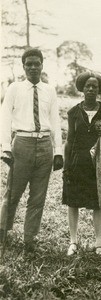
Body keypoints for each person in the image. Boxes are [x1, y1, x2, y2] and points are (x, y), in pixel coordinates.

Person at [0, 48, 63, 253]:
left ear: (42, 65)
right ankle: (2, 231)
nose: (33, 67)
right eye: (29, 64)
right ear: (24, 66)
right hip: (22, 144)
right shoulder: (14, 89)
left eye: (37, 63)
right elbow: (5, 118)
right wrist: (6, 148)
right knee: (13, 193)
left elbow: (55, 120)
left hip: (44, 145)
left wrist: (58, 151)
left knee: (38, 197)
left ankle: (29, 239)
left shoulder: (49, 90)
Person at [62, 71, 101, 256]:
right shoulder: (74, 112)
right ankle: (73, 242)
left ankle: (99, 243)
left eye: (95, 86)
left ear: (99, 90)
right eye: (88, 86)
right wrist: (67, 166)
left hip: (97, 162)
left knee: (98, 202)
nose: (91, 89)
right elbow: (69, 140)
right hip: (77, 161)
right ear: (82, 89)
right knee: (72, 201)